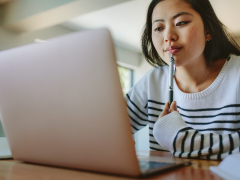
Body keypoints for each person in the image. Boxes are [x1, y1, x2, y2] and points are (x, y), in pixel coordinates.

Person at [125, 0, 240, 160]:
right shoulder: (153, 80)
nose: (168, 36)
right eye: (158, 28)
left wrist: (180, 140)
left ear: (208, 29)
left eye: (181, 22)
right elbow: (107, 129)